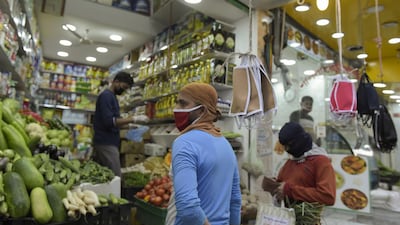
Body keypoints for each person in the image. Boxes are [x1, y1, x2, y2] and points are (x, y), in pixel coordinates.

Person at [165, 82, 241, 225]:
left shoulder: (185, 143)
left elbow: (188, 206)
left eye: (183, 104)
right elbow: (235, 200)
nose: (176, 109)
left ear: (201, 111)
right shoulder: (225, 144)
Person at [262, 122, 336, 224]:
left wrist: (289, 190)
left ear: (300, 140)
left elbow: (328, 196)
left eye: (290, 145)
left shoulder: (320, 161)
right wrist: (274, 186)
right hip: (289, 220)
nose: (287, 150)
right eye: (285, 147)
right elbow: (284, 185)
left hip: (309, 221)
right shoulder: (290, 162)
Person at [92, 71, 135, 177]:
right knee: (115, 176)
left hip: (110, 141)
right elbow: (109, 121)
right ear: (116, 81)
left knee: (105, 175)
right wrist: (133, 119)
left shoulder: (113, 97)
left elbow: (116, 122)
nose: (123, 90)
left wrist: (130, 126)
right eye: (123, 87)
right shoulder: (106, 96)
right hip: (105, 142)